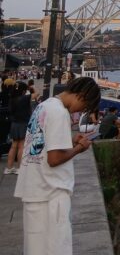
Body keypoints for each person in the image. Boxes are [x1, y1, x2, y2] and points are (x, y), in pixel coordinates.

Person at [14, 76, 101, 255]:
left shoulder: (44, 106)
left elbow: (42, 144)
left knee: (35, 248)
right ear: (82, 95)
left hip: (34, 189)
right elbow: (53, 159)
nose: (82, 111)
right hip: (51, 194)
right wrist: (78, 148)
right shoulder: (60, 112)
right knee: (56, 249)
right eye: (85, 106)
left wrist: (69, 140)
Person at [5, 81, 32, 175]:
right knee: (21, 146)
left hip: (14, 124)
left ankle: (9, 167)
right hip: (22, 123)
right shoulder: (24, 98)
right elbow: (36, 94)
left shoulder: (12, 99)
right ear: (23, 90)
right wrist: (30, 88)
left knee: (13, 146)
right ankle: (20, 168)